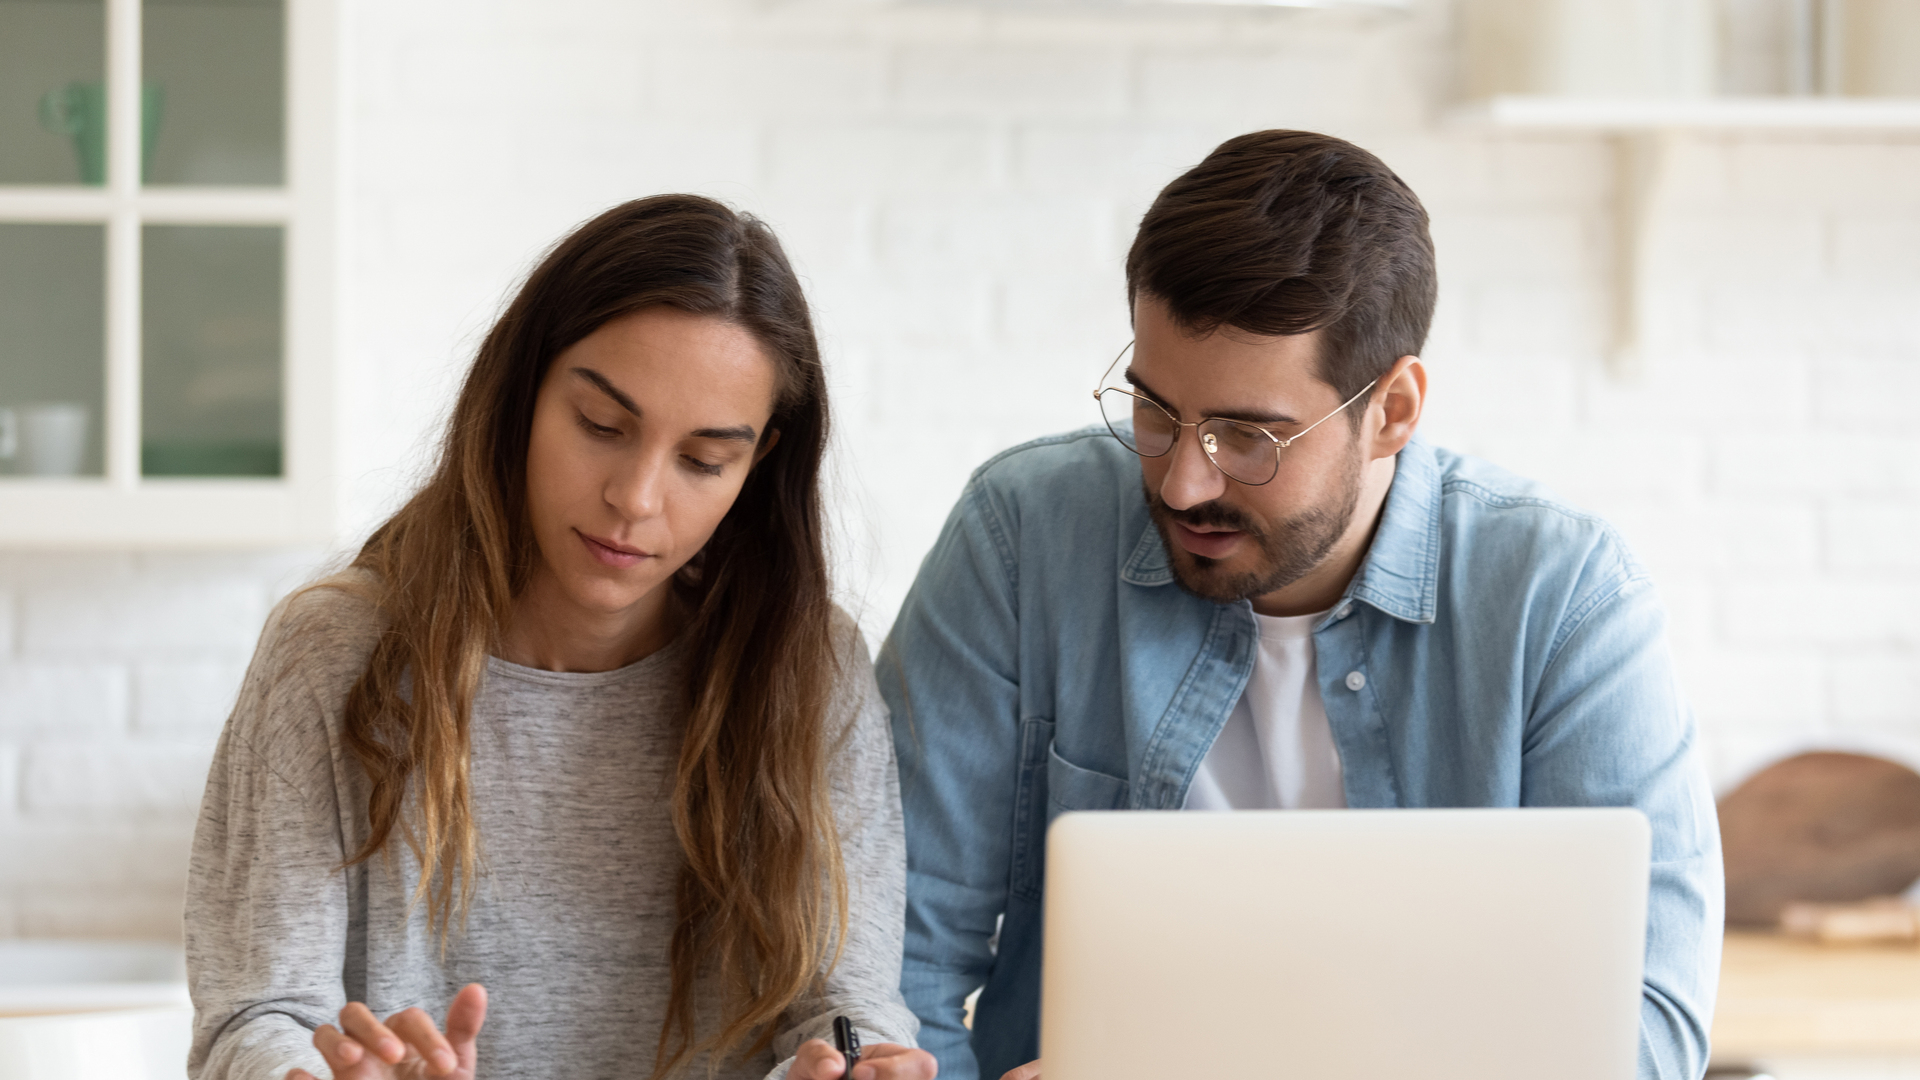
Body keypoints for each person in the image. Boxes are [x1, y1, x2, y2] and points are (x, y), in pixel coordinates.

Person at [878, 130, 1722, 1080]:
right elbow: (891, 951)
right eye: (1156, 413)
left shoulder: (1563, 598)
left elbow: (1647, 1032)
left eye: (1250, 436)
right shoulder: (1023, 534)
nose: (1184, 482)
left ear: (1393, 410)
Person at [186, 195, 938, 1080]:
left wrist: (855, 1065)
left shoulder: (809, 670)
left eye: (703, 460)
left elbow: (843, 1003)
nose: (637, 497)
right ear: (523, 394)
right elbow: (257, 1014)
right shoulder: (334, 651)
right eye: (602, 427)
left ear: (759, 461)